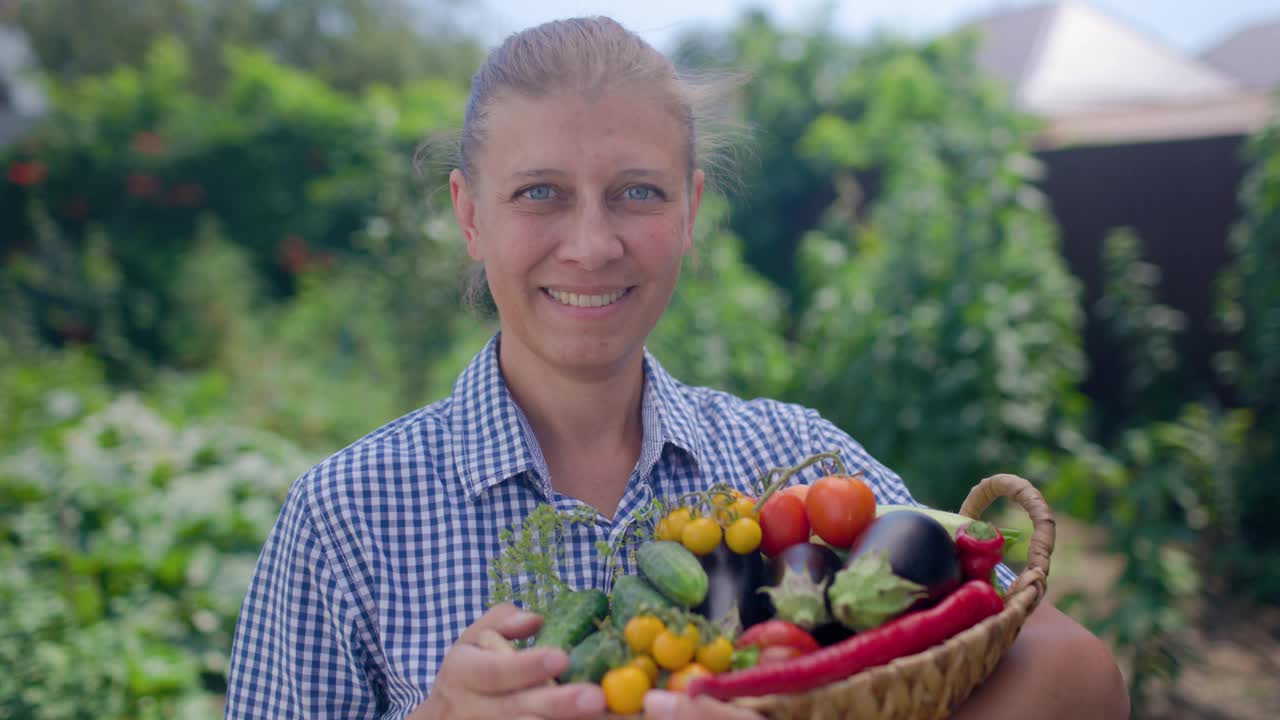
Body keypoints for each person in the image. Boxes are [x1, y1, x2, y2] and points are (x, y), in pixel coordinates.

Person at [223, 15, 1129, 720]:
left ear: (690, 211)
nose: (590, 243)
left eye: (637, 193)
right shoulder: (345, 520)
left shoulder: (797, 465)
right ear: (470, 216)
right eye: (540, 193)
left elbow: (1075, 677)